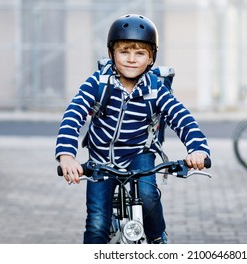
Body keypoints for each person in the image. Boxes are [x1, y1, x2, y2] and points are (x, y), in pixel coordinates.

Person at [55, 14, 210, 244]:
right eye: (124, 51)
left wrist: (197, 149)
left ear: (150, 58)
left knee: (148, 197)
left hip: (139, 153)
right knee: (97, 223)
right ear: (111, 54)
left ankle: (158, 239)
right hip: (101, 158)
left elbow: (182, 117)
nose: (131, 59)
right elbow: (73, 114)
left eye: (140, 53)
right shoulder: (97, 83)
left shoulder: (156, 89)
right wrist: (67, 156)